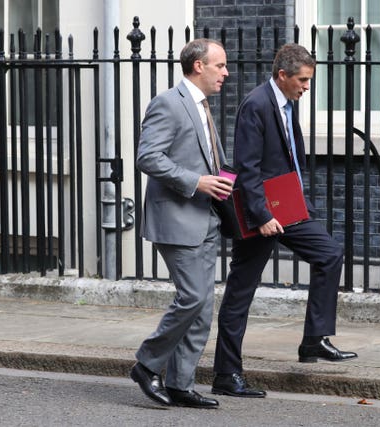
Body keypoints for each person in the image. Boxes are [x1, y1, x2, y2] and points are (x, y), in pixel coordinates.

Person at [211, 43, 357, 398]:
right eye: (303, 80)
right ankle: (227, 375)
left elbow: (287, 157)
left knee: (329, 253)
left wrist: (295, 200)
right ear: (282, 76)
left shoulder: (286, 102)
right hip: (260, 211)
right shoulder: (257, 104)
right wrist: (261, 216)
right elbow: (247, 167)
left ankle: (313, 340)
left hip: (286, 206)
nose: (307, 87)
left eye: (309, 80)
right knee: (240, 293)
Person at [130, 38, 233, 409]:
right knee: (191, 297)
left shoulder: (202, 106)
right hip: (176, 218)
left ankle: (180, 383)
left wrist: (220, 183)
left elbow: (205, 159)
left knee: (204, 306)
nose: (226, 72)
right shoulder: (168, 104)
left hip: (205, 217)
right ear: (198, 66)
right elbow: (147, 156)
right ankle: (146, 364)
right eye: (220, 66)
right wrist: (196, 181)